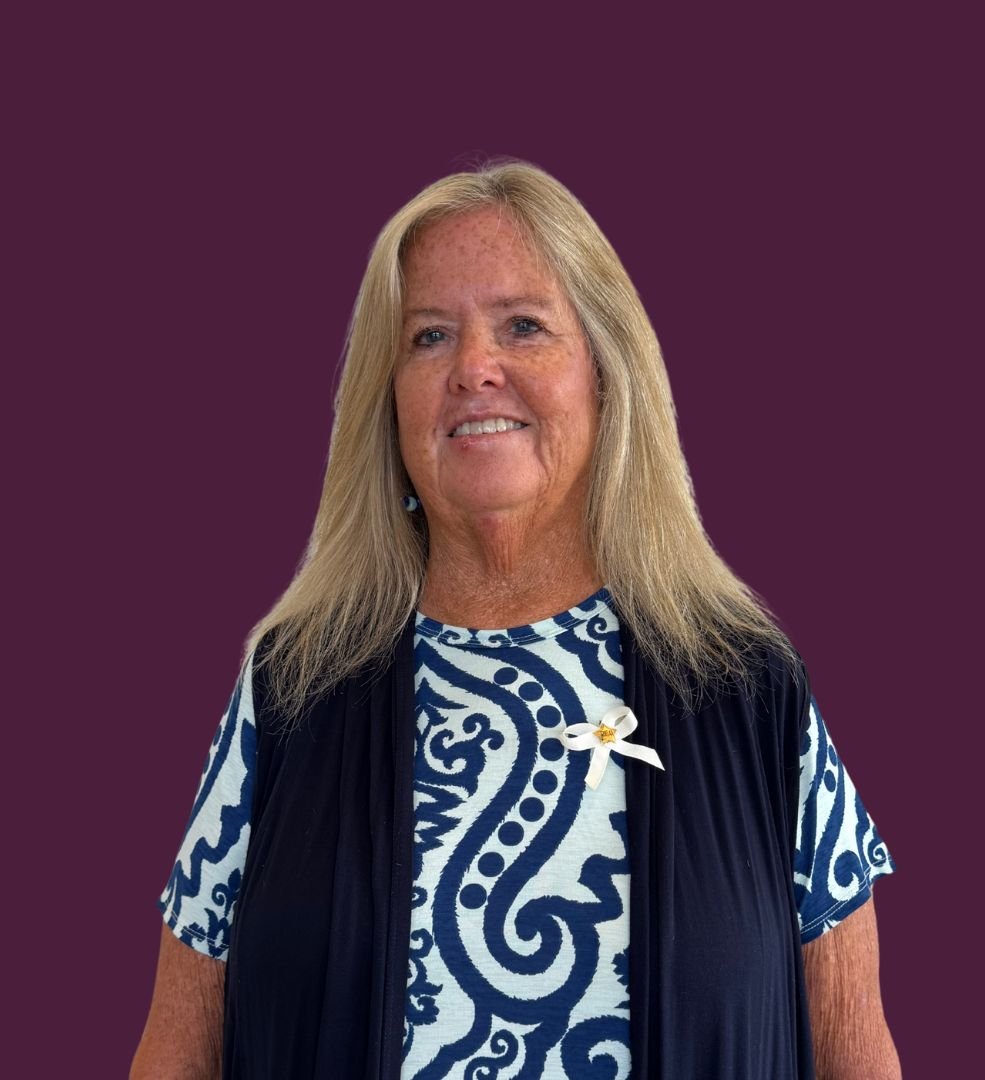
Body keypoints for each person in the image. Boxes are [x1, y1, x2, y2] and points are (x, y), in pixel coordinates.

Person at [131, 159, 901, 1079]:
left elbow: (855, 1046)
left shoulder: (748, 689)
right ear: (387, 402)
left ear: (606, 375)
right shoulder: (291, 689)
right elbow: (176, 1049)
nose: (473, 369)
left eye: (523, 326)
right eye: (428, 336)